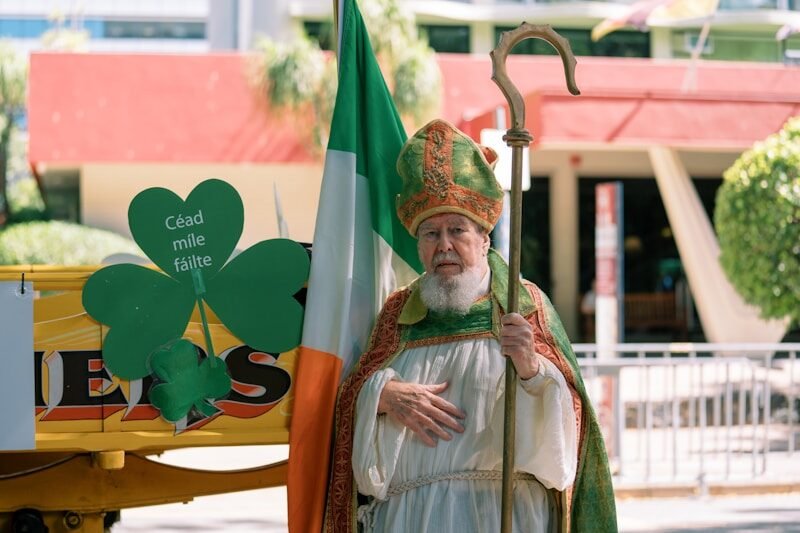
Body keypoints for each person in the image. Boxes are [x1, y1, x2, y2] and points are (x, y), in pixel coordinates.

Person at [323, 120, 617, 532]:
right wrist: (382, 395)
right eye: (430, 232)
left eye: (457, 230)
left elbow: (571, 426)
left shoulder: (522, 303)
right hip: (410, 519)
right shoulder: (397, 313)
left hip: (503, 514)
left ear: (484, 238)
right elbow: (348, 403)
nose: (443, 244)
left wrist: (532, 369)